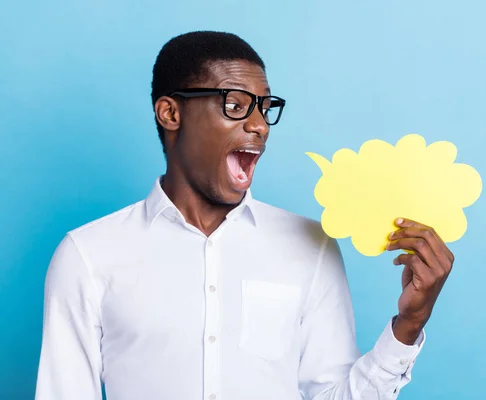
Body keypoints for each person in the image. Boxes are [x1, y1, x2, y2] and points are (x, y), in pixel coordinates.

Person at [35, 31, 454, 400]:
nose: (260, 126)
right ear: (171, 113)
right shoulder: (88, 255)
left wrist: (409, 324)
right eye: (235, 104)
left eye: (265, 107)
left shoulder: (311, 247)